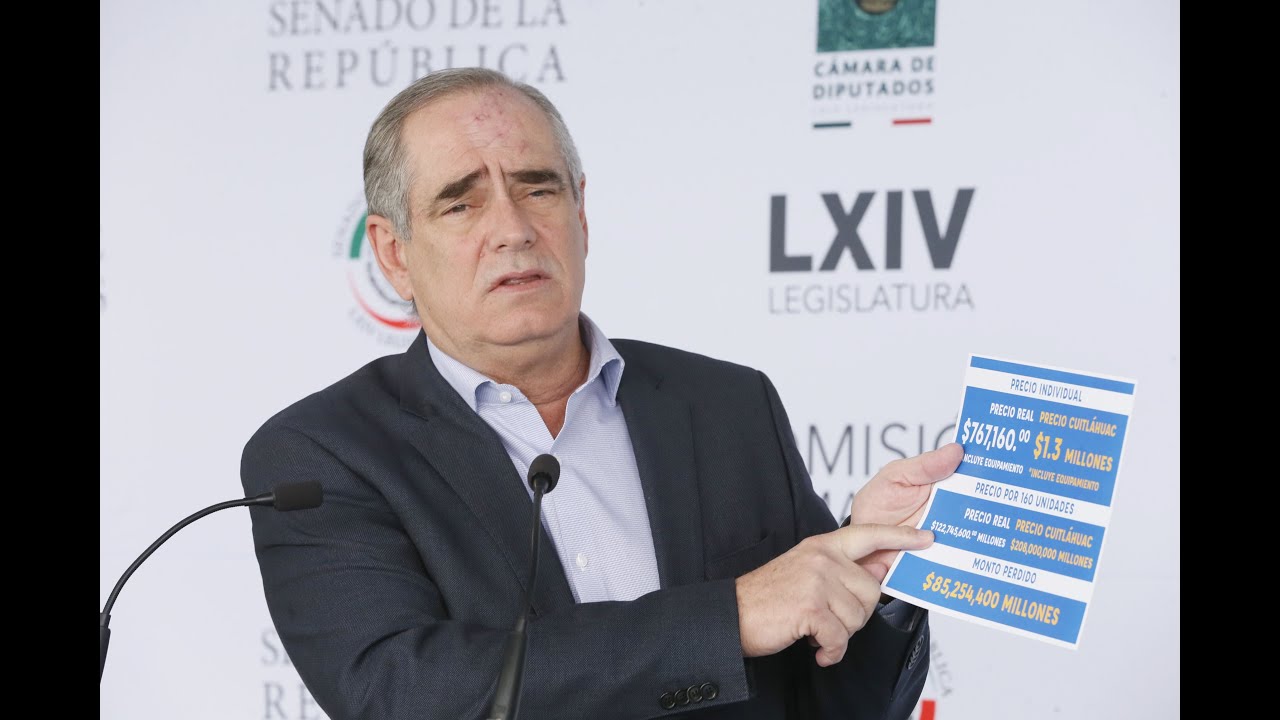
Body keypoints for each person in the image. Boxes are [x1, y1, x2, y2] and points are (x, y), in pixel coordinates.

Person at [240, 66, 963, 720]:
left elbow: (832, 703)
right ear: (394, 253)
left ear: (580, 215)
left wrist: (876, 579)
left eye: (538, 188)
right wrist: (729, 617)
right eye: (461, 205)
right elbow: (403, 695)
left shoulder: (728, 405)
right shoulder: (323, 455)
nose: (513, 229)